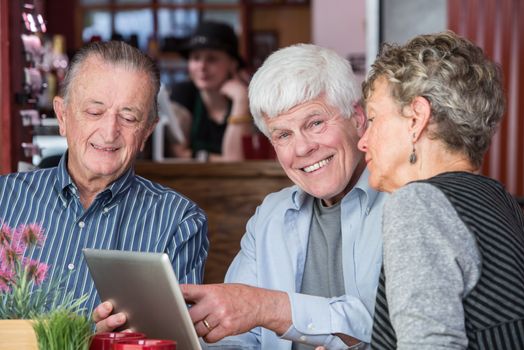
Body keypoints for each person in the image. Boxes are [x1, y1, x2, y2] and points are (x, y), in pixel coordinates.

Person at [95, 43, 387, 349]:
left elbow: (392, 330)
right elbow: (236, 338)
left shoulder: (405, 206)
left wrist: (267, 307)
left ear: (356, 118)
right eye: (283, 135)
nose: (302, 149)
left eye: (315, 123)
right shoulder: (270, 216)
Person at [0, 41, 209, 313]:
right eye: (94, 112)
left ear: (147, 131)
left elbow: (174, 341)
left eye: (129, 117)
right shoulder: (5, 200)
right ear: (62, 116)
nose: (110, 132)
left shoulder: (179, 223)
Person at [357, 31, 524, 349]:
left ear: (416, 118)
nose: (363, 141)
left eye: (374, 119)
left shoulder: (417, 203)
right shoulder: (499, 198)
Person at [169, 21, 253, 161]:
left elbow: (235, 162)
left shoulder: (249, 99)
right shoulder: (182, 94)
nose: (202, 66)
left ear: (233, 64)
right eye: (196, 58)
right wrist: (219, 159)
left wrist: (241, 101)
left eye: (212, 59)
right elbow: (179, 154)